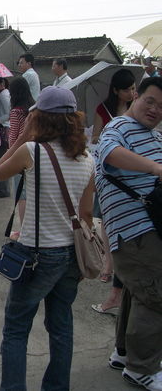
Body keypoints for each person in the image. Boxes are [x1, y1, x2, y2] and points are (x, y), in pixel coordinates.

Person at [0, 85, 95, 391]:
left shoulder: (32, 151)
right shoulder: (88, 159)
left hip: (37, 255)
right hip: (70, 256)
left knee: (16, 328)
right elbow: (86, 215)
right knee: (61, 325)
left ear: (39, 117)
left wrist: (24, 135)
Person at [94, 77, 162, 389]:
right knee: (157, 296)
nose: (155, 109)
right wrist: (155, 168)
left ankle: (123, 353)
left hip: (145, 230)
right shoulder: (118, 126)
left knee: (140, 293)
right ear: (135, 95)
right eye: (150, 101)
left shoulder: (152, 134)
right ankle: (141, 367)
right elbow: (108, 155)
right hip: (136, 230)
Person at [90, 68, 135, 313]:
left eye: (133, 88)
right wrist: (109, 136)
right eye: (127, 89)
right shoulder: (103, 110)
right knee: (106, 220)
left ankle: (116, 272)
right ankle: (108, 264)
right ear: (116, 90)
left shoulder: (138, 110)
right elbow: (95, 137)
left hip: (131, 175)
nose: (132, 93)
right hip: (109, 173)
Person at [7, 77, 35, 233]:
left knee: (22, 195)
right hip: (34, 151)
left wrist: (10, 154)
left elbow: (14, 136)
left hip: (20, 153)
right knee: (32, 193)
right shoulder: (33, 109)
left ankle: (24, 230)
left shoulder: (16, 112)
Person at [0, 78, 11, 197]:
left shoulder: (4, 95)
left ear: (1, 83)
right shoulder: (0, 94)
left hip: (3, 128)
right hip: (1, 127)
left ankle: (2, 190)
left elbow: (9, 114)